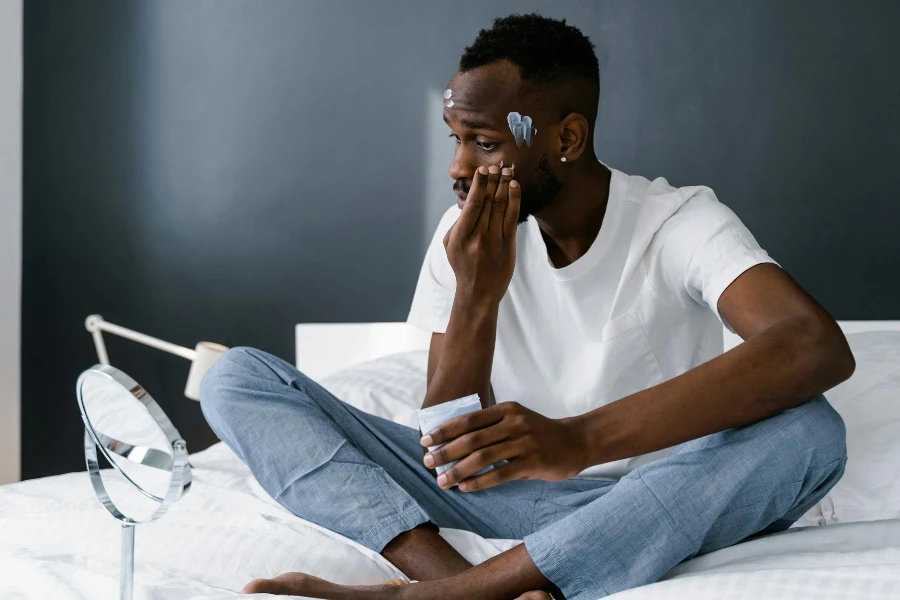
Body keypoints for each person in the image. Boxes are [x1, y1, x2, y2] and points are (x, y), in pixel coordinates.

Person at [200, 13, 854, 600]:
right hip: (509, 499)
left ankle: (438, 598)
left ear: (565, 138)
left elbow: (811, 344)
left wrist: (578, 439)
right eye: (454, 136)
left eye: (484, 142)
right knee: (237, 378)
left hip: (662, 492)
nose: (458, 166)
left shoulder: (678, 222)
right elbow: (452, 453)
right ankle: (459, 584)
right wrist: (475, 300)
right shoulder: (461, 237)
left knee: (811, 433)